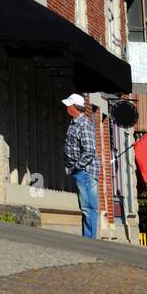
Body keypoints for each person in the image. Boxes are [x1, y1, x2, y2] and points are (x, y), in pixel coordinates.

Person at [62, 92, 100, 239]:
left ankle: (89, 241)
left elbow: (90, 150)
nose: (66, 107)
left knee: (88, 207)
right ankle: (88, 238)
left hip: (85, 172)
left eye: (68, 105)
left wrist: (77, 166)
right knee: (85, 207)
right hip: (80, 171)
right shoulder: (75, 122)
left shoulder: (83, 124)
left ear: (74, 107)